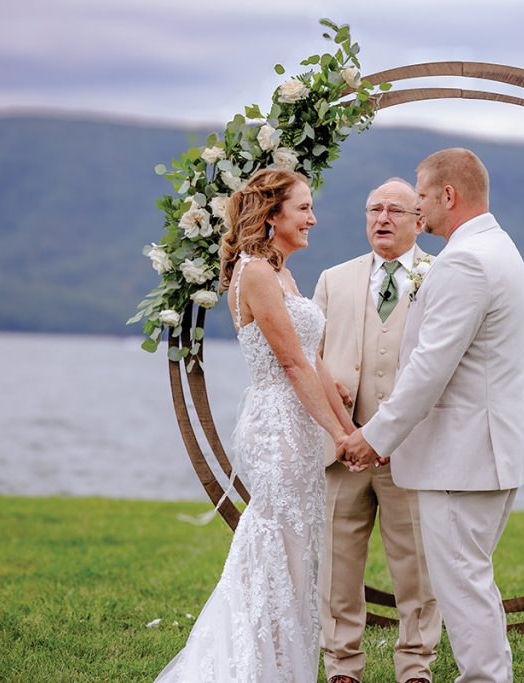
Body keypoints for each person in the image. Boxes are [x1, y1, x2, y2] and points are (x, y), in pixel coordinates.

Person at [339, 149, 524, 683]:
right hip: (485, 451)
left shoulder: (466, 261)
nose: (417, 209)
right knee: (470, 581)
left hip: (461, 456)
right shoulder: (499, 248)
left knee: (462, 586)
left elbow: (430, 368)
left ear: (448, 195)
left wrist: (373, 436)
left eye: (421, 196)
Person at [156, 168, 355, 682]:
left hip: (299, 423)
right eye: (304, 208)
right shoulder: (258, 274)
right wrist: (340, 435)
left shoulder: (282, 272)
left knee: (294, 554)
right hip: (279, 428)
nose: (314, 218)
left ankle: (283, 666)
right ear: (272, 215)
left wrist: (349, 426)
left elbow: (312, 360)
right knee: (274, 550)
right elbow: (291, 366)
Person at [313, 178, 442, 683]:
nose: (382, 218)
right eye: (374, 209)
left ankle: (416, 667)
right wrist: (337, 406)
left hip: (411, 450)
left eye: (395, 210)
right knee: (337, 565)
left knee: (416, 566)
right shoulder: (334, 278)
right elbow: (312, 356)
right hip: (342, 447)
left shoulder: (441, 276)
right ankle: (342, 666)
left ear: (420, 220)